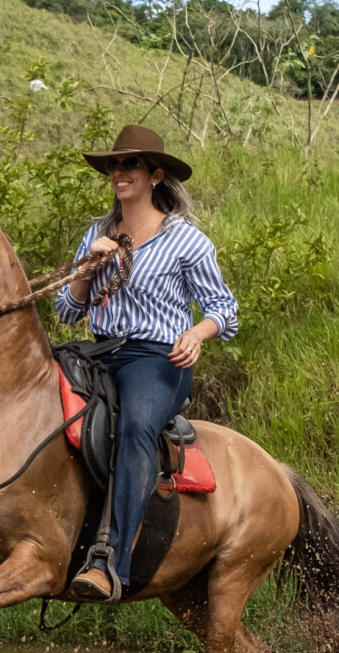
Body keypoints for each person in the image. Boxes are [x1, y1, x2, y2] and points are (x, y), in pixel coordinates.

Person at [52, 126, 240, 602]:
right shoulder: (96, 234)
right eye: (114, 165)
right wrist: (86, 269)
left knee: (136, 427)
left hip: (156, 359)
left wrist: (196, 334)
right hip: (99, 350)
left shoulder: (187, 241)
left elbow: (224, 309)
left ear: (155, 176)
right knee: (26, 391)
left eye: (130, 165)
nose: (119, 172)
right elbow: (67, 311)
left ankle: (109, 563)